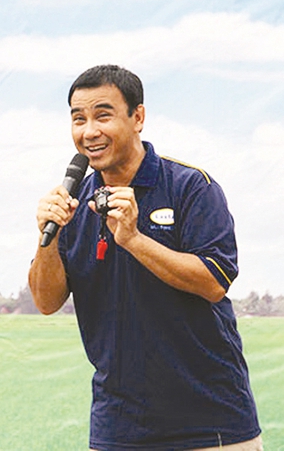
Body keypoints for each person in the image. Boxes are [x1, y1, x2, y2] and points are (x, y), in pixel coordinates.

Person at [28, 65, 262, 450]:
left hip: (211, 423)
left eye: (103, 115)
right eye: (78, 119)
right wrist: (46, 238)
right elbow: (46, 301)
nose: (89, 131)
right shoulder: (73, 204)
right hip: (119, 428)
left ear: (138, 117)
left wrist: (134, 240)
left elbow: (214, 282)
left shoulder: (190, 187)